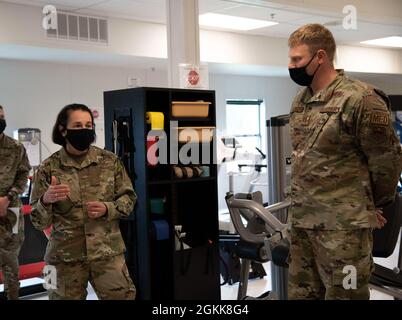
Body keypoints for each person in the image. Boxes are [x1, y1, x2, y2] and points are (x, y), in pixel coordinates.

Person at [287, 24, 402, 300]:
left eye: (297, 59)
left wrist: (370, 205)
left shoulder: (361, 99)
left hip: (343, 231)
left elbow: (386, 162)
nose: (291, 66)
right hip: (303, 224)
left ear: (321, 57)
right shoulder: (300, 102)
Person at [30, 104, 136, 300]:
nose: (85, 130)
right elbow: (38, 222)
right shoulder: (48, 168)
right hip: (63, 258)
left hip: (107, 254)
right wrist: (46, 200)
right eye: (77, 126)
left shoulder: (109, 161)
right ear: (63, 130)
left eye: (89, 125)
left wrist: (108, 208)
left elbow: (129, 198)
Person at [0, 105, 31, 300]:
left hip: (11, 212)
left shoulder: (15, 147)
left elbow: (23, 175)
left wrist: (7, 198)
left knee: (11, 261)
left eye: (2, 116)